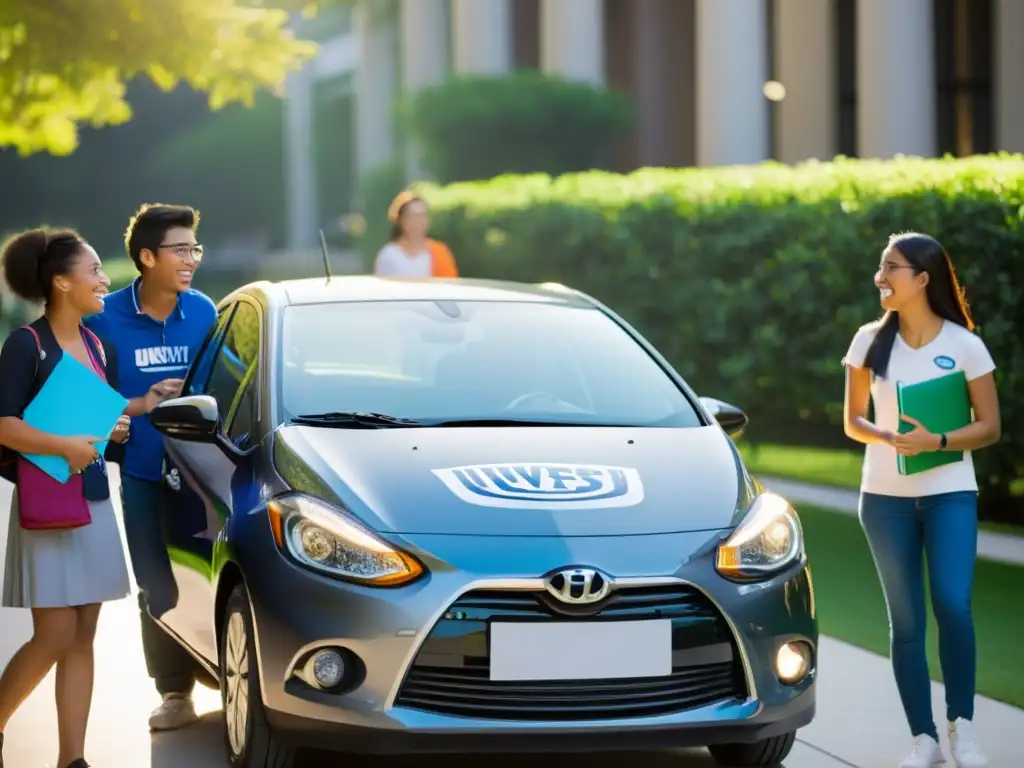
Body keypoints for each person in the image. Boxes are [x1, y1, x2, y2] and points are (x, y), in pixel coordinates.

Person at [842, 232, 1000, 768]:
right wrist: (887, 437)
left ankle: (964, 727)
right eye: (880, 267)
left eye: (892, 268)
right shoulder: (867, 339)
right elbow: (852, 420)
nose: (880, 277)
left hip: (949, 493)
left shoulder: (964, 345)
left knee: (953, 605)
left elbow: (990, 427)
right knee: (905, 623)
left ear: (923, 279)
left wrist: (935, 441)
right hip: (883, 500)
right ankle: (923, 740)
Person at [0, 227, 135, 768]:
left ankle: (72, 760)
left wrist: (112, 428)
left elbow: (90, 425)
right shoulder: (25, 345)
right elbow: (5, 425)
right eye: (95, 270)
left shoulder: (98, 344)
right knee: (54, 635)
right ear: (61, 282)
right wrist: (64, 445)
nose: (104, 279)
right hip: (49, 503)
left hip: (95, 500)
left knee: (83, 635)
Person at [84, 204, 217, 732]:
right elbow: (83, 401)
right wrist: (140, 402)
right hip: (140, 472)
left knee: (211, 574)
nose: (191, 260)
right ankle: (174, 693)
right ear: (146, 257)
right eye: (180, 250)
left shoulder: (205, 311)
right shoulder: (103, 318)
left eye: (194, 249)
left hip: (206, 475)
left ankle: (229, 675)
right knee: (155, 583)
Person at [373, 191, 459, 277]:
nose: (418, 221)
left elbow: (449, 284)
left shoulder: (440, 252)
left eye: (422, 215)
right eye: (412, 216)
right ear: (400, 220)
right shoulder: (388, 254)